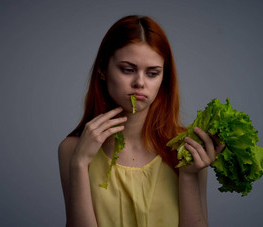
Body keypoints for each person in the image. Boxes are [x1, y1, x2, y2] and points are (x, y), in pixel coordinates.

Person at [58, 15, 225, 227]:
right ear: (102, 69)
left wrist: (189, 177)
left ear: (164, 79)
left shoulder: (187, 148)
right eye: (128, 70)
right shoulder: (72, 150)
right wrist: (80, 165)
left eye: (153, 73)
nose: (139, 82)